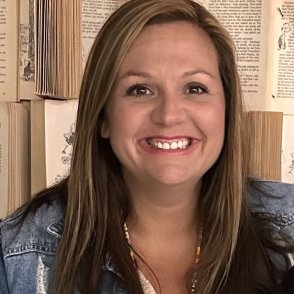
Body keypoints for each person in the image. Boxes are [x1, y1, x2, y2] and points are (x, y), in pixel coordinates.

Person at [1, 0, 294, 293]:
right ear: (103, 117)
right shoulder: (16, 256)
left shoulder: (288, 225)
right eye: (140, 90)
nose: (169, 115)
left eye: (195, 88)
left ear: (227, 111)